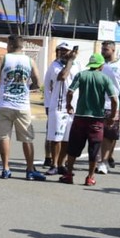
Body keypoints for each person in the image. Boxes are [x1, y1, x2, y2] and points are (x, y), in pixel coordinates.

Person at [0, 34, 46, 181]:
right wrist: (26, 88)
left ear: (10, 45)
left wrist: (3, 88)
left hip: (4, 103)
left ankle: (6, 168)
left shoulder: (3, 59)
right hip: (22, 105)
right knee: (27, 138)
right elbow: (38, 83)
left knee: (4, 137)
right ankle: (29, 170)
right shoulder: (30, 61)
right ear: (21, 46)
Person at [59, 52, 118, 187]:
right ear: (101, 66)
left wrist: (68, 105)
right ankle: (90, 177)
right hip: (97, 119)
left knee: (73, 147)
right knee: (94, 149)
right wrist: (113, 115)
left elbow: (70, 92)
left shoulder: (81, 75)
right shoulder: (104, 78)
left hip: (80, 117)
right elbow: (114, 99)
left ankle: (68, 175)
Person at [43, 41, 78, 174]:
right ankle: (54, 164)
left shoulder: (77, 66)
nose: (63, 52)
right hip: (57, 107)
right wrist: (47, 104)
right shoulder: (55, 65)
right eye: (60, 50)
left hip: (72, 108)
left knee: (67, 138)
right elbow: (62, 77)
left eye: (66, 50)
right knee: (56, 137)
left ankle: (61, 164)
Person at [98, 41, 120, 174]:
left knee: (110, 136)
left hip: (113, 106)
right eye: (102, 49)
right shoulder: (99, 64)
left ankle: (104, 161)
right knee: (97, 135)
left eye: (106, 49)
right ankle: (98, 160)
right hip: (97, 106)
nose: (103, 51)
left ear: (113, 50)